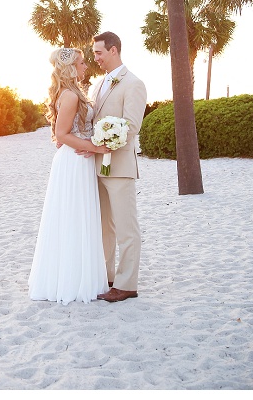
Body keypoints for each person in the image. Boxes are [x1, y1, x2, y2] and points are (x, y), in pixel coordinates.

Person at [29, 47, 111, 304]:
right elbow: (63, 135)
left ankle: (76, 276)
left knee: (77, 217)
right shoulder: (71, 96)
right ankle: (72, 280)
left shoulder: (71, 93)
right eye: (82, 63)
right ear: (71, 68)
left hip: (78, 160)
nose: (86, 66)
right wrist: (94, 147)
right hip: (74, 163)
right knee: (74, 217)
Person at [90, 31, 147, 302]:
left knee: (126, 227)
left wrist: (105, 139)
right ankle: (108, 277)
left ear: (114, 50)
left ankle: (127, 284)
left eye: (99, 53)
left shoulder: (134, 84)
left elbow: (132, 126)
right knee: (104, 226)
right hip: (96, 165)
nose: (96, 58)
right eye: (94, 54)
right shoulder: (96, 85)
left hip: (120, 165)